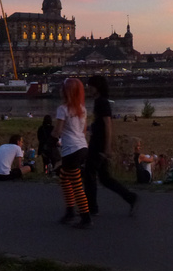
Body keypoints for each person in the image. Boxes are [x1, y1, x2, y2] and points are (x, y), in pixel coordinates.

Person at [83, 75, 137, 216]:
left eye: (91, 86)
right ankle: (130, 197)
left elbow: (108, 123)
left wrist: (107, 146)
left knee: (89, 174)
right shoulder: (99, 101)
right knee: (104, 178)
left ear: (97, 87)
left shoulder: (101, 102)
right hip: (98, 141)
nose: (88, 88)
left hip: (99, 143)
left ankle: (91, 207)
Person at [55, 78, 93, 227]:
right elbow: (83, 131)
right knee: (65, 178)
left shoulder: (63, 109)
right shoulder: (82, 109)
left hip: (70, 149)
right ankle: (70, 211)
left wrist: (50, 140)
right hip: (82, 147)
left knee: (76, 184)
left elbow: (57, 130)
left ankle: (85, 217)